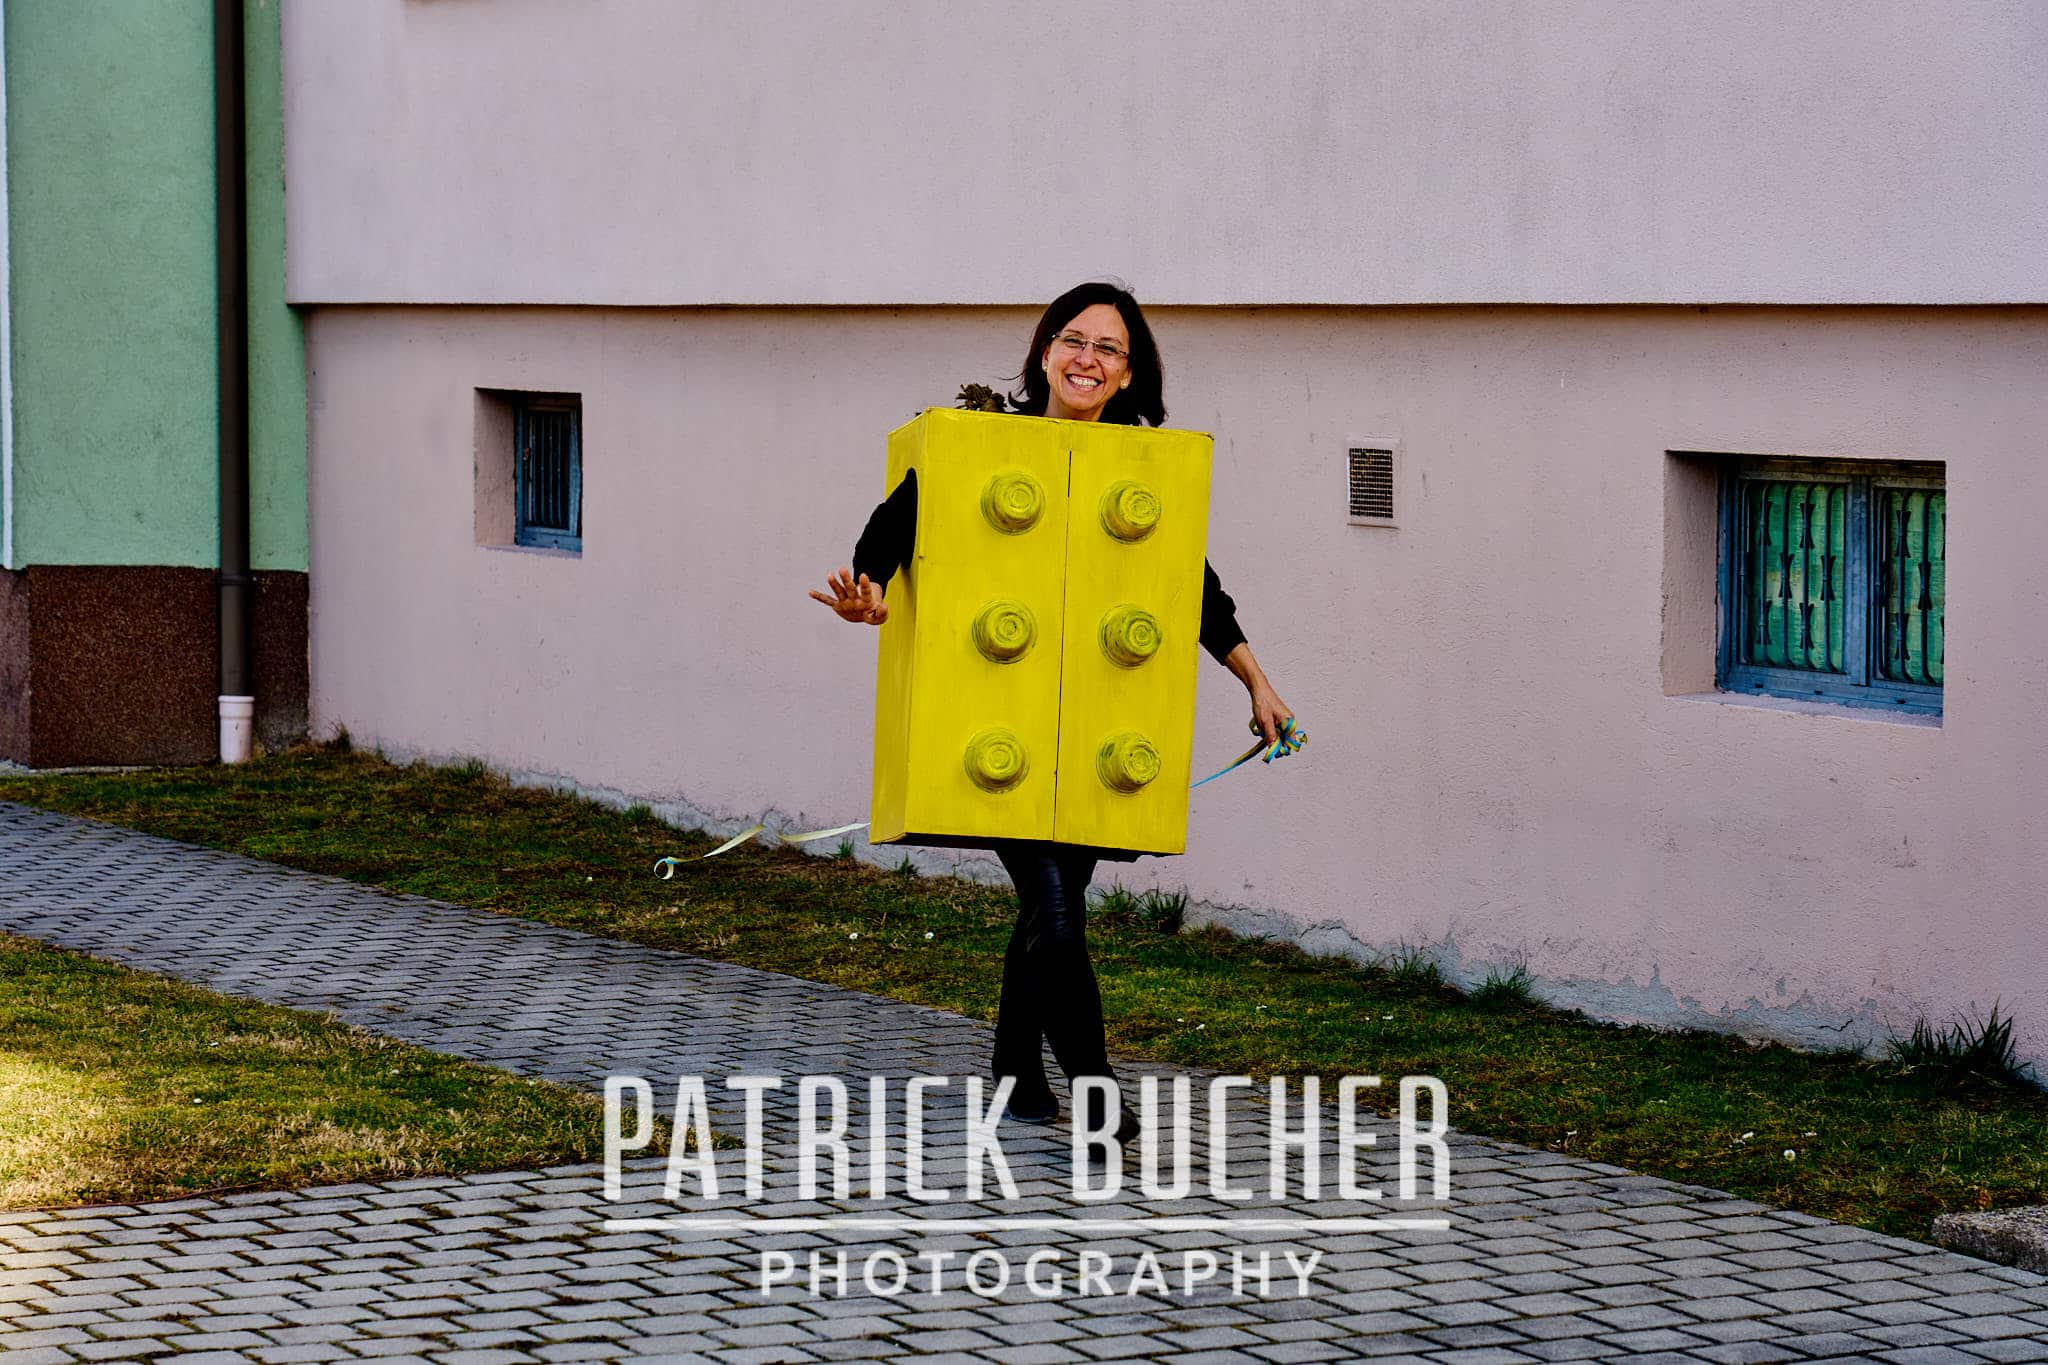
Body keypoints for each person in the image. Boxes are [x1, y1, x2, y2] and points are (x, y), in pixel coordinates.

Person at [810, 281, 1290, 1142]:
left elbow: (1194, 589)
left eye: (1108, 348)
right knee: (1059, 910)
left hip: (1096, 727)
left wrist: (1256, 681)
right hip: (1002, 725)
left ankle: (1015, 1065)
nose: (1087, 359)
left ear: (1128, 373)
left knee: (1049, 907)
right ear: (1043, 351)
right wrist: (870, 587)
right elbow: (897, 521)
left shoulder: (1141, 475)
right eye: (1073, 339)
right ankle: (1094, 1084)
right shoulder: (984, 444)